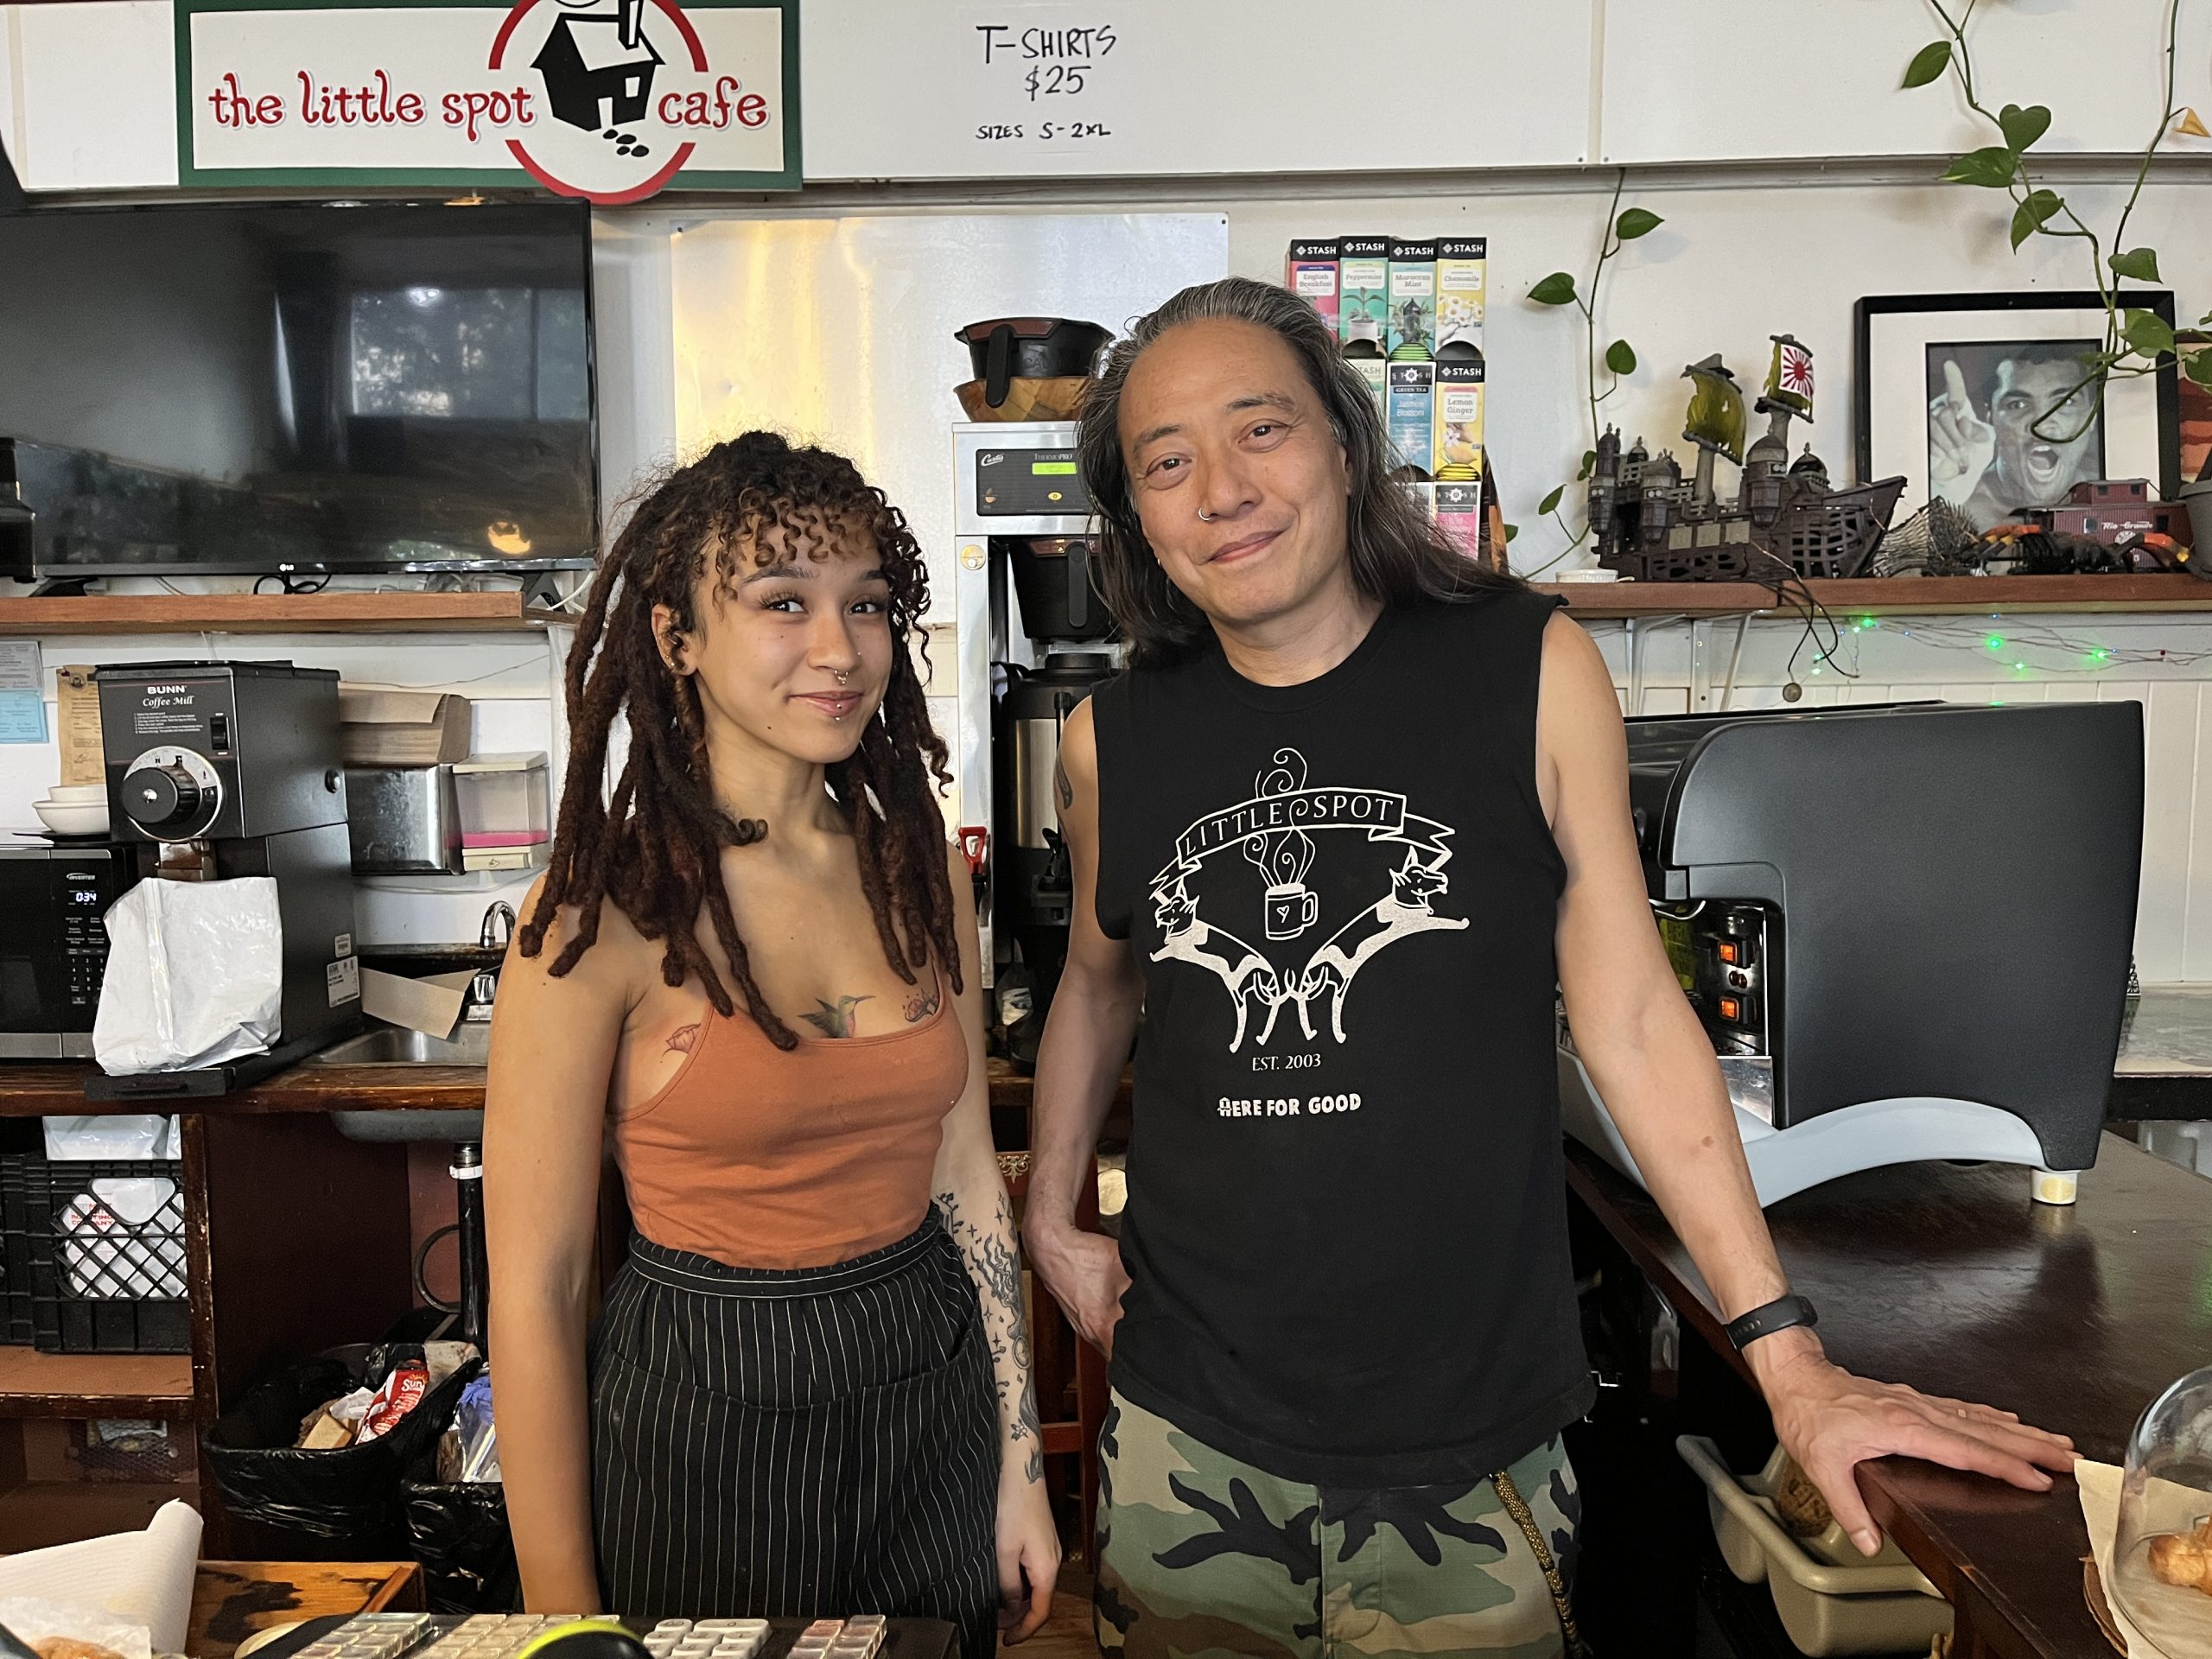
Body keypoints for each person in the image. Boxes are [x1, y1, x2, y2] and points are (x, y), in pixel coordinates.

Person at [1021, 278, 2076, 1656]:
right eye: (1167, 463)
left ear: (1345, 445)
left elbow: (1632, 1016)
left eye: (1260, 430)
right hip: (1188, 1438)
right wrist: (1050, 1210)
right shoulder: (1114, 739)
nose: (1221, 488)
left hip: (1471, 1442)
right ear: (1140, 518)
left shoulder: (1529, 669)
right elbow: (1101, 983)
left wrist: (1792, 1360)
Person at [484, 433, 1059, 1655]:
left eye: (867, 605)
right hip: (705, 1416)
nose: (841, 648)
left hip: (928, 1391)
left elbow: (963, 1176)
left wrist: (1020, 1466)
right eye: (783, 603)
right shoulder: (598, 914)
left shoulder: (920, 871)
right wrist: (561, 1624)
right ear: (674, 636)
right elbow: (533, 1295)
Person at [1929, 346, 2102, 523]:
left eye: (2066, 402)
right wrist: (1940, 491)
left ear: (2092, 416)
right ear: (1990, 418)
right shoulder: (1960, 510)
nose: (2041, 428)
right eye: (2017, 405)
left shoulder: (2112, 495)